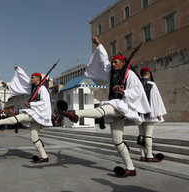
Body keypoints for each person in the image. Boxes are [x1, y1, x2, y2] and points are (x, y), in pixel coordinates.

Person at [58, 36, 151, 177]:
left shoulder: (130, 75)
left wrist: (123, 91)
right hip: (116, 108)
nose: (113, 64)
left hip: (123, 106)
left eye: (116, 62)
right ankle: (130, 168)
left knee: (103, 109)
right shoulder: (112, 73)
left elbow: (138, 91)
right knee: (117, 140)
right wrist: (99, 45)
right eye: (113, 62)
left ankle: (75, 113)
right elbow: (103, 61)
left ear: (122, 63)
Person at [0, 66, 53, 163]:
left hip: (39, 113)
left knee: (20, 117)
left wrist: (31, 103)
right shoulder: (34, 88)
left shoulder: (42, 89)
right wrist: (18, 70)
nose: (31, 79)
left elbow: (45, 103)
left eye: (32, 77)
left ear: (38, 78)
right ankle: (44, 157)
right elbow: (24, 80)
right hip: (36, 114)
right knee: (34, 137)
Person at [138, 67, 167, 162]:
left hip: (139, 114)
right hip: (149, 114)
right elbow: (156, 100)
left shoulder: (137, 84)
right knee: (148, 135)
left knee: (141, 135)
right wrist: (158, 113)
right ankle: (149, 155)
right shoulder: (152, 84)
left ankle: (142, 155)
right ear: (148, 74)